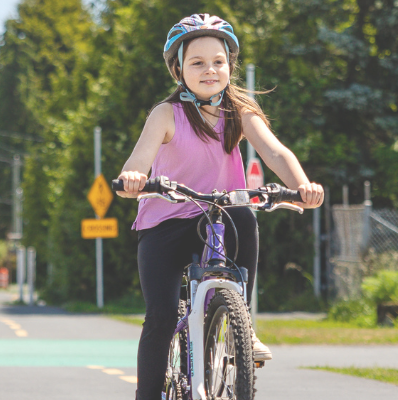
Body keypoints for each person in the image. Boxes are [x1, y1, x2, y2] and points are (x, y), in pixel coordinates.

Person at [115, 13, 325, 399]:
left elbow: (275, 152)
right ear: (179, 69)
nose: (210, 70)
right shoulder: (166, 114)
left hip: (220, 215)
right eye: (197, 62)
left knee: (244, 215)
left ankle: (241, 318)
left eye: (218, 61)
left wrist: (302, 186)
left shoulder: (240, 111)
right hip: (165, 222)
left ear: (230, 65)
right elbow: (137, 162)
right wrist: (132, 179)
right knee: (160, 317)